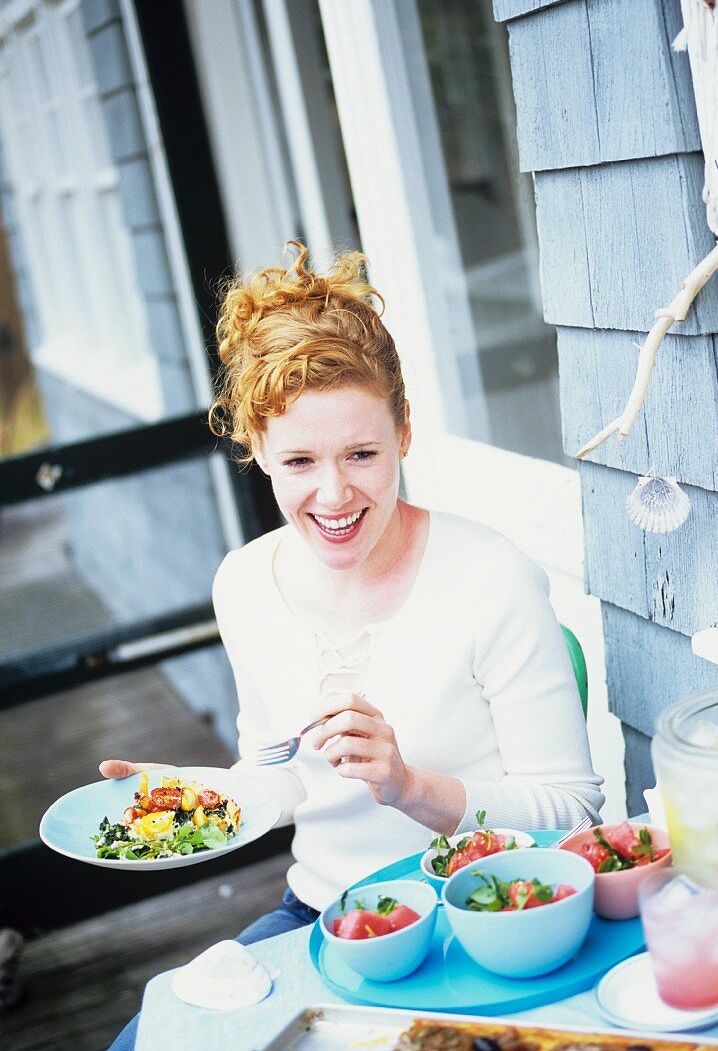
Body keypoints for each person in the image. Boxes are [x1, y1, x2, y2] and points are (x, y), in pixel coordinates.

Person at [103, 241, 603, 1048]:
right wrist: (178, 803)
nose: (334, 495)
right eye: (299, 459)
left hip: (477, 915)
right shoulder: (243, 584)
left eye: (362, 454)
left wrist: (407, 786)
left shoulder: (489, 577)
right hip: (324, 917)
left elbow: (571, 815)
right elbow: (277, 780)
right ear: (256, 448)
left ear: (404, 433)